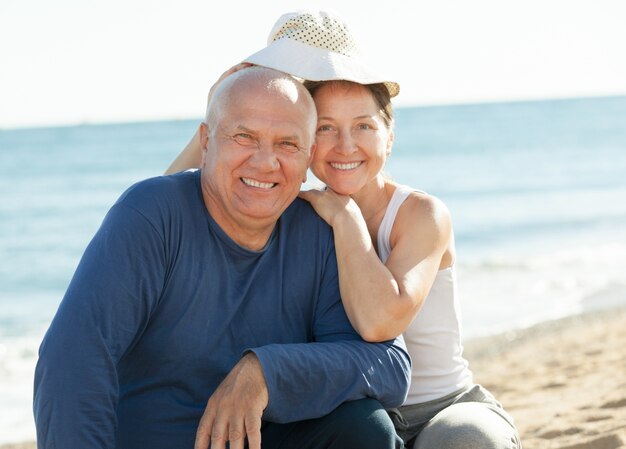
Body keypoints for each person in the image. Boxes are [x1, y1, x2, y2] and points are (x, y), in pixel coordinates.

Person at [166, 10, 522, 449]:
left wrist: (347, 218)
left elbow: (378, 322)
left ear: (389, 136)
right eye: (327, 128)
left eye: (364, 127)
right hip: (345, 412)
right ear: (306, 140)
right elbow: (172, 215)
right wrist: (220, 107)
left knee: (466, 439)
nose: (346, 146)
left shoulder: (419, 214)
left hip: (442, 410)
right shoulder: (293, 210)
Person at [33, 67, 411, 449]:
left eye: (287, 144)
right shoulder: (151, 214)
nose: (265, 162)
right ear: (206, 140)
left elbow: (388, 367)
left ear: (308, 155)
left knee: (365, 427)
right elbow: (73, 358)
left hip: (262, 438)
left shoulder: (318, 231)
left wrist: (266, 372)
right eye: (245, 137)